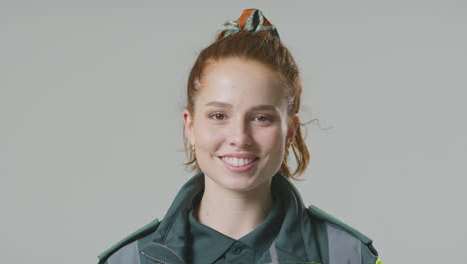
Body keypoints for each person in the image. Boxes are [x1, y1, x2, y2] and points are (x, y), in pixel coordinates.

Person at [97, 8, 382, 264]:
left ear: (290, 131)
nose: (239, 137)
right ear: (190, 126)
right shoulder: (129, 260)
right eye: (219, 115)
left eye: (261, 118)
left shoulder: (348, 256)